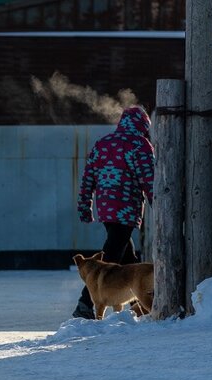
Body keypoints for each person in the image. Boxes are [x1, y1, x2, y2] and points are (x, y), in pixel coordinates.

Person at [72, 106, 155, 319]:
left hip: (106, 208)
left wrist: (84, 207)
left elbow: (88, 178)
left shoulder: (102, 143)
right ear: (143, 126)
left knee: (127, 256)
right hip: (127, 208)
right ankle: (85, 303)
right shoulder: (140, 144)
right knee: (112, 253)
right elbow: (149, 178)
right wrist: (160, 205)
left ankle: (137, 305)